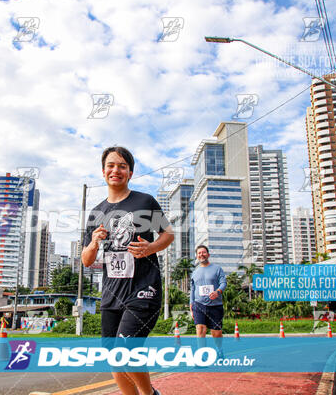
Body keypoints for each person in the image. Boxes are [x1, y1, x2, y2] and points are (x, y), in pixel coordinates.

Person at [82, 146, 174, 395]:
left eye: (122, 166)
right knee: (114, 358)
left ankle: (150, 394)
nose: (116, 170)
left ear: (130, 173)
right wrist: (94, 242)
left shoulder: (145, 201)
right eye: (111, 165)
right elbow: (86, 260)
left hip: (144, 288)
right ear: (103, 172)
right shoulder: (95, 213)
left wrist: (150, 247)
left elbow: (168, 234)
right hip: (112, 293)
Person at [190, 245, 227, 355]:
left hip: (215, 305)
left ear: (208, 254)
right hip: (199, 305)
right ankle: (202, 356)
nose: (201, 254)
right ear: (197, 256)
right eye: (199, 253)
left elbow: (223, 283)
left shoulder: (217, 269)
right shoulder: (195, 272)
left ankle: (219, 350)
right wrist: (191, 305)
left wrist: (218, 292)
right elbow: (192, 289)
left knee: (216, 333)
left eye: (204, 252)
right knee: (200, 330)